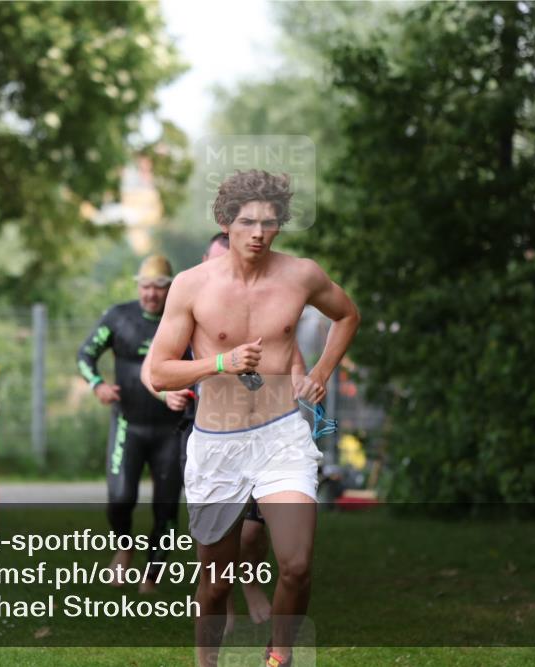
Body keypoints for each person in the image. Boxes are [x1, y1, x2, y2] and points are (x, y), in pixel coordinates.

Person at [148, 170, 360, 667]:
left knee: (297, 566)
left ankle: (277, 657)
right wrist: (220, 363)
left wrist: (323, 371)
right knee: (216, 583)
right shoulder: (191, 286)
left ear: (281, 224)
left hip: (281, 436)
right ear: (226, 222)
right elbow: (159, 372)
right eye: (247, 222)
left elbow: (346, 314)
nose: (259, 233)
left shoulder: (301, 274)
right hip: (217, 443)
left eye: (269, 222)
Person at [140, 231, 295, 630]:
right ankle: (220, 601)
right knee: (213, 532)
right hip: (204, 427)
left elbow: (294, 357)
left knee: (252, 534)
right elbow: (154, 369)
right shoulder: (194, 295)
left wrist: (304, 390)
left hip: (264, 431)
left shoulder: (263, 305)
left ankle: (250, 585)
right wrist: (166, 396)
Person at [77, 254, 192, 594]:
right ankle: (124, 546)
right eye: (146, 287)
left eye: (159, 288)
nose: (151, 295)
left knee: (167, 507)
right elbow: (85, 354)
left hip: (171, 428)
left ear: (169, 289)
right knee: (120, 497)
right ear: (137, 287)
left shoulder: (183, 320)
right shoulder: (118, 317)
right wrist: (97, 384)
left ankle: (151, 577)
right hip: (129, 423)